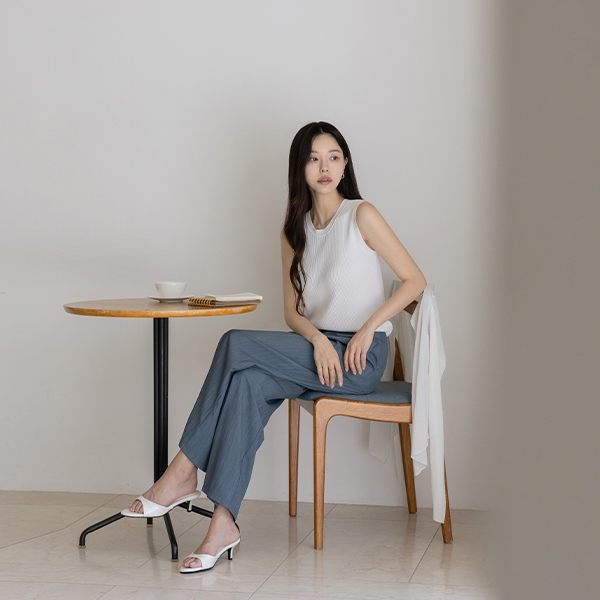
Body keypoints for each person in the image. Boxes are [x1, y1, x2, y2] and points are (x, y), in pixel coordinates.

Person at [124, 121, 427, 573]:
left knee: (234, 343)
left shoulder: (361, 215)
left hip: (359, 359)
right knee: (247, 381)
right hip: (318, 351)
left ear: (345, 165)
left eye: (334, 157)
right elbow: (292, 312)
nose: (324, 167)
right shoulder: (293, 231)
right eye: (313, 158)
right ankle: (223, 524)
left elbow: (414, 280)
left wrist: (369, 329)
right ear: (299, 168)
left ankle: (182, 470)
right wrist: (317, 339)